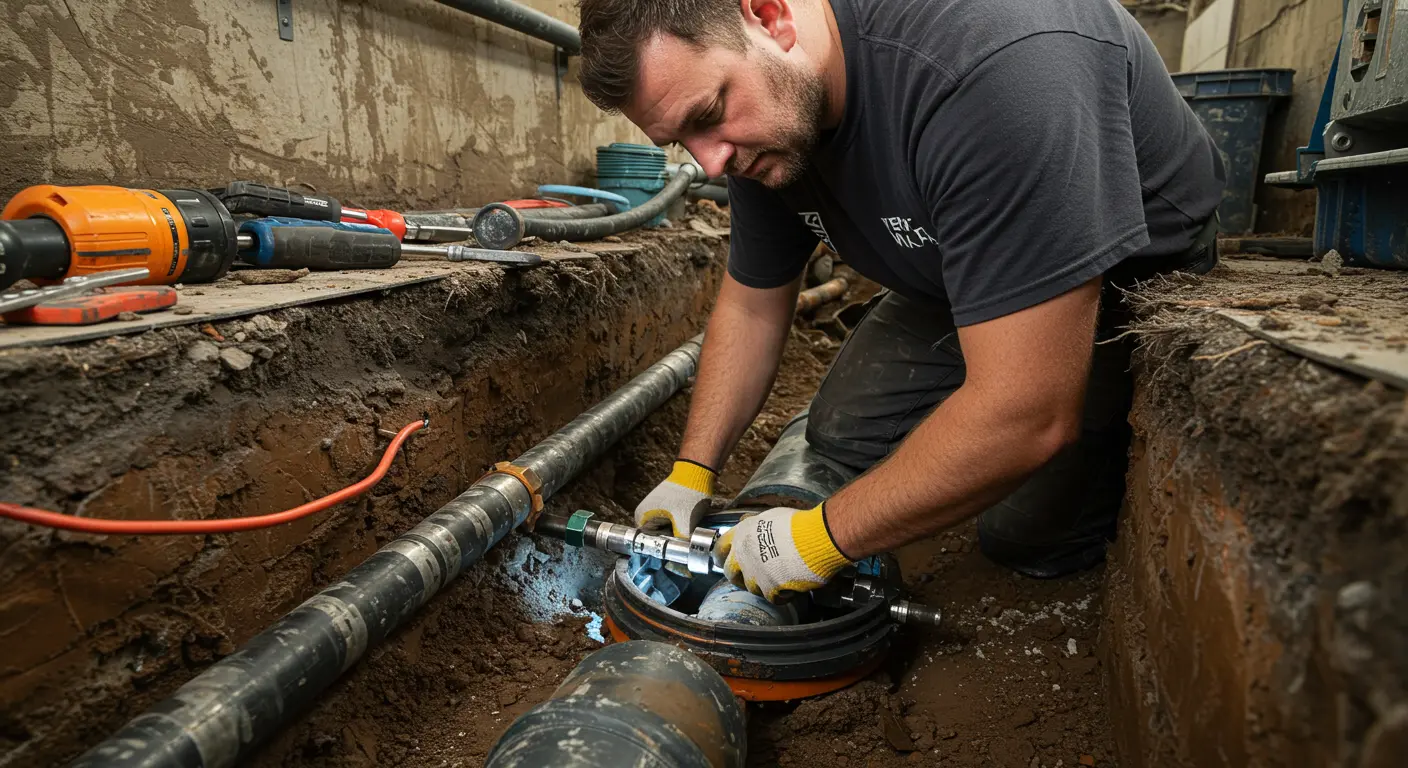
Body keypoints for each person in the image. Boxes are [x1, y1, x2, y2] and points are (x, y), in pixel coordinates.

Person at [576, 0, 1224, 601]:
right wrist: (693, 469)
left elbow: (1027, 414)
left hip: (1114, 272)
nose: (709, 163)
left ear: (769, 15)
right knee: (838, 434)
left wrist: (821, 537)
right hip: (948, 268)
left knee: (1024, 532)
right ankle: (959, 412)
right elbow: (751, 305)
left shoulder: (992, 72)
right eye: (680, 142)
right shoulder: (763, 124)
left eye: (707, 115)